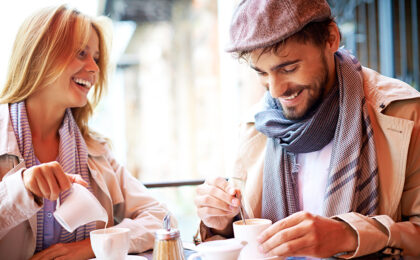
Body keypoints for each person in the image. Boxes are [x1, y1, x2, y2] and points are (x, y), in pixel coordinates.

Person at [195, 0, 420, 258]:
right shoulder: (255, 126)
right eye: (262, 73)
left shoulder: (404, 113)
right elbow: (246, 241)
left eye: (289, 68)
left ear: (331, 39)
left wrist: (348, 235)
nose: (276, 90)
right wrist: (221, 221)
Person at [0, 5, 171, 260]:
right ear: (40, 55)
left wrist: (91, 247)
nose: (94, 68)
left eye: (97, 58)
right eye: (81, 53)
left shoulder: (95, 149)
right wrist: (22, 190)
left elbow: (161, 218)